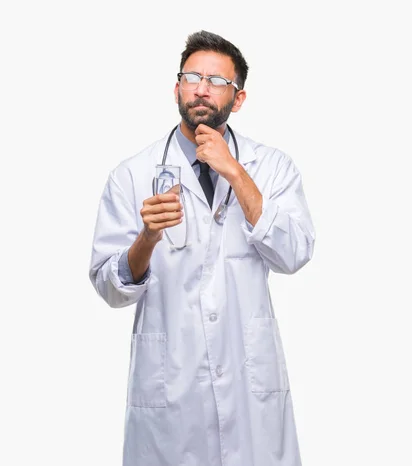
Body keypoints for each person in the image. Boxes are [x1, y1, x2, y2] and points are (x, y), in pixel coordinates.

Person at [88, 30, 315, 466]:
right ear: (177, 88)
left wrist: (235, 173)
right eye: (192, 77)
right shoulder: (132, 174)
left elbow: (295, 253)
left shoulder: (270, 167)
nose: (202, 89)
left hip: (249, 387)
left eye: (216, 81)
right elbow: (109, 287)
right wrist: (147, 238)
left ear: (239, 98)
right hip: (170, 387)